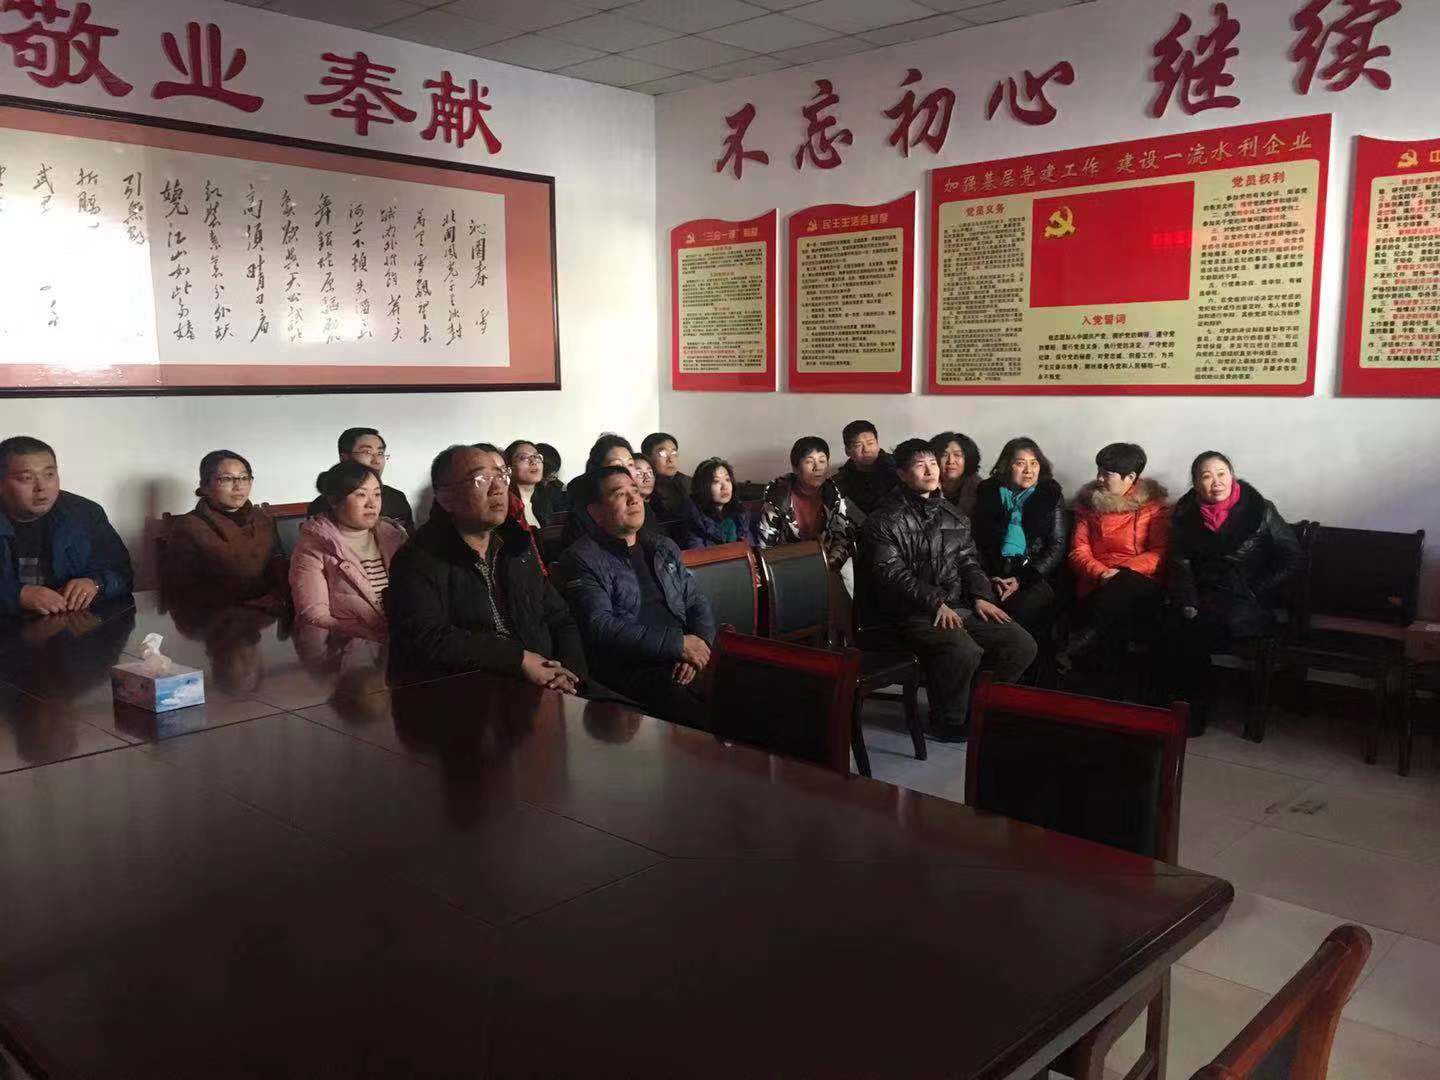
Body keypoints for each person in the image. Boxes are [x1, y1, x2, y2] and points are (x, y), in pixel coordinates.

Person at [857, 439, 1037, 741]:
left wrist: (980, 596)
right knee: (963, 649)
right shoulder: (884, 520)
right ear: (902, 474)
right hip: (908, 611)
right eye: (920, 465)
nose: (930, 471)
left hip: (955, 605)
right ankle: (949, 721)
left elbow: (969, 562)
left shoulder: (953, 515)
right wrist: (935, 602)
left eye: (932, 463)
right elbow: (891, 574)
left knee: (1020, 644)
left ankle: (976, 708)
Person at [387, 444, 589, 693]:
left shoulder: (516, 546)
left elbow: (559, 616)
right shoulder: (417, 559)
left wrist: (570, 673)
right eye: (481, 479)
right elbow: (429, 638)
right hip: (474, 692)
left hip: (551, 682)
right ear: (445, 498)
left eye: (502, 476)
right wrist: (519, 659)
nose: (498, 488)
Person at [558, 465, 715, 728]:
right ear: (595, 512)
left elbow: (696, 601)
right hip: (634, 668)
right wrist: (678, 645)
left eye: (635, 490)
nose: (634, 499)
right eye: (620, 494)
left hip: (682, 654)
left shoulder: (662, 547)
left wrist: (700, 644)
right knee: (702, 717)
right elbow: (601, 625)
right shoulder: (582, 557)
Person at [1164, 451, 1303, 734]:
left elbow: (1292, 557)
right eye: (1206, 476)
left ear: (1232, 476)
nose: (1216, 482)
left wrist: (1255, 587)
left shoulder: (1260, 510)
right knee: (1169, 622)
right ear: (1196, 484)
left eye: (1221, 474)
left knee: (1194, 632)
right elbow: (1180, 563)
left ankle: (1193, 714)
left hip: (1246, 603)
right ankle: (1166, 708)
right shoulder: (1185, 515)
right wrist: (1189, 601)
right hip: (1203, 597)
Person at [1061, 443, 1169, 673]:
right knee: (1115, 611)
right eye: (1098, 471)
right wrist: (1102, 574)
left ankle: (1078, 646)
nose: (1099, 479)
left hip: (1139, 583)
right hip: (1096, 582)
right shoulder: (1089, 505)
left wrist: (1121, 573)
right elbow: (1079, 551)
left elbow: (1159, 552)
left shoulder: (1152, 507)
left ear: (1130, 477)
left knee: (1123, 590)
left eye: (1106, 474)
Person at [0, 436, 132, 616]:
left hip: (71, 623)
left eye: (49, 475)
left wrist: (96, 583)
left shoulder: (85, 514)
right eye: (26, 478)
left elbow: (123, 575)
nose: (41, 487)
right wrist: (18, 595)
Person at [289, 460, 407, 642]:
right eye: (361, 495)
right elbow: (314, 616)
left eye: (377, 494)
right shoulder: (312, 548)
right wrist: (373, 637)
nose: (372, 504)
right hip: (351, 649)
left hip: (405, 641)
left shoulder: (395, 537)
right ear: (334, 501)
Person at [972, 437, 1069, 641]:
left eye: (1034, 463)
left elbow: (1057, 545)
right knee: (980, 611)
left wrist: (1021, 579)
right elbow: (977, 542)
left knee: (1014, 614)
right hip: (994, 575)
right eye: (1020, 463)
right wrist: (991, 576)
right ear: (1007, 466)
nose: (1028, 470)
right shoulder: (989, 494)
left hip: (1037, 575)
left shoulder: (1049, 495)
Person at [163, 449, 287, 605]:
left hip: (271, 609)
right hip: (218, 614)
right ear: (205, 486)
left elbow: (279, 564)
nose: (238, 486)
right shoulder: (189, 527)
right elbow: (184, 592)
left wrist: (278, 598)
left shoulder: (262, 519)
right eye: (227, 479)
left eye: (244, 478)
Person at [756, 436, 856, 570]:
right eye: (809, 462)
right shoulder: (778, 498)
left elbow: (842, 536)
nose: (817, 468)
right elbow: (766, 546)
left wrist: (831, 563)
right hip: (788, 564)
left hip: (827, 561)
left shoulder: (833, 494)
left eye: (822, 461)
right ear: (795, 468)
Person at [306, 427, 415, 534]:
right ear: (344, 458)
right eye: (367, 452)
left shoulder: (397, 498)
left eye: (380, 453)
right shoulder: (322, 505)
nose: (376, 461)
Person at [679, 457, 754, 549]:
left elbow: (752, 551)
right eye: (716, 481)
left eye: (727, 479)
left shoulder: (740, 516)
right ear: (703, 487)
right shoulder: (695, 520)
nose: (725, 487)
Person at [833, 420, 898, 523]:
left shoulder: (899, 469)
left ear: (877, 444)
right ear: (847, 451)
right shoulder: (840, 482)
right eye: (858, 445)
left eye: (870, 443)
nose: (866, 449)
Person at [505, 439, 566, 529]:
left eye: (536, 456)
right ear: (509, 468)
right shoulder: (504, 505)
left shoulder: (545, 500)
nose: (533, 461)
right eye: (523, 457)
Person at [930, 431, 983, 521]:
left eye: (957, 455)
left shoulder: (982, 490)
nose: (951, 461)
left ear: (968, 459)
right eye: (944, 455)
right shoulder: (923, 486)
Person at [641, 432, 690, 521]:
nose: (670, 459)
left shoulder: (689, 483)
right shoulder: (642, 486)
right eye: (663, 453)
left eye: (674, 453)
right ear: (647, 457)